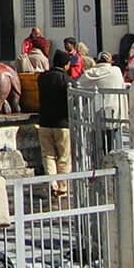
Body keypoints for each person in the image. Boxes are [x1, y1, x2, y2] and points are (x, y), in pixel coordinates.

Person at [37, 50, 77, 195]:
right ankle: (62, 187)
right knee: (64, 156)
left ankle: (52, 184)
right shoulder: (67, 81)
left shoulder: (42, 78)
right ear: (66, 65)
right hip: (62, 123)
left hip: (44, 122)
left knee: (48, 155)